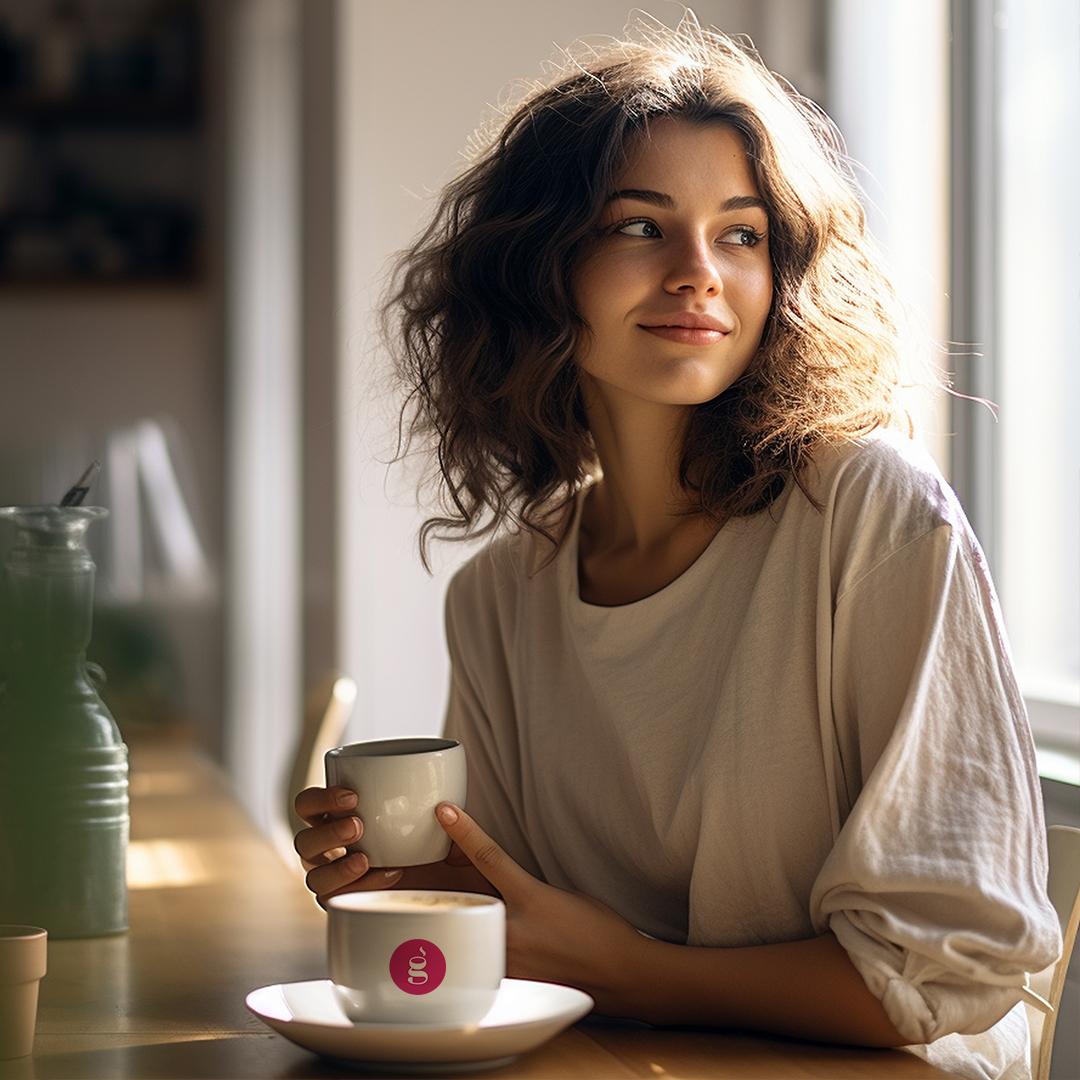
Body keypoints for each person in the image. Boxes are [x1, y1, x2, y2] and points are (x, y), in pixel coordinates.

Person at [293, 13, 1060, 1078]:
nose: (700, 270)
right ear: (539, 268)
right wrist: (404, 895)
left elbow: (946, 972)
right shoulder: (502, 596)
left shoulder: (871, 514)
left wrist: (637, 970)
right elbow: (518, 927)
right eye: (641, 227)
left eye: (742, 232)